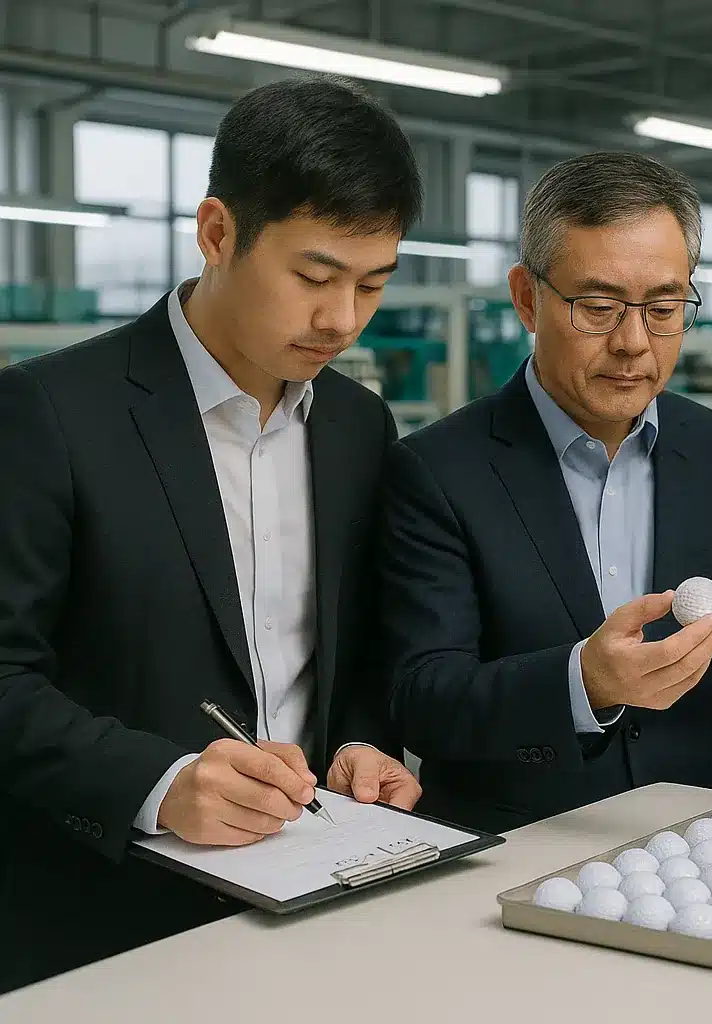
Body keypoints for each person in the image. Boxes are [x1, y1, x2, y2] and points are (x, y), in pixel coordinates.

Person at [0, 76, 424, 992]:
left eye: (372, 283)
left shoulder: (358, 429)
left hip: (318, 899)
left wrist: (360, 742)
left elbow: (360, 652)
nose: (341, 319)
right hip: (106, 927)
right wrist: (159, 782)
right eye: (314, 276)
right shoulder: (50, 414)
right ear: (218, 232)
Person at [377, 151, 712, 835]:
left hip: (701, 849)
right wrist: (582, 683)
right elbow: (423, 697)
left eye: (664, 308)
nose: (633, 342)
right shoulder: (437, 471)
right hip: (513, 855)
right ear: (526, 297)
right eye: (597, 308)